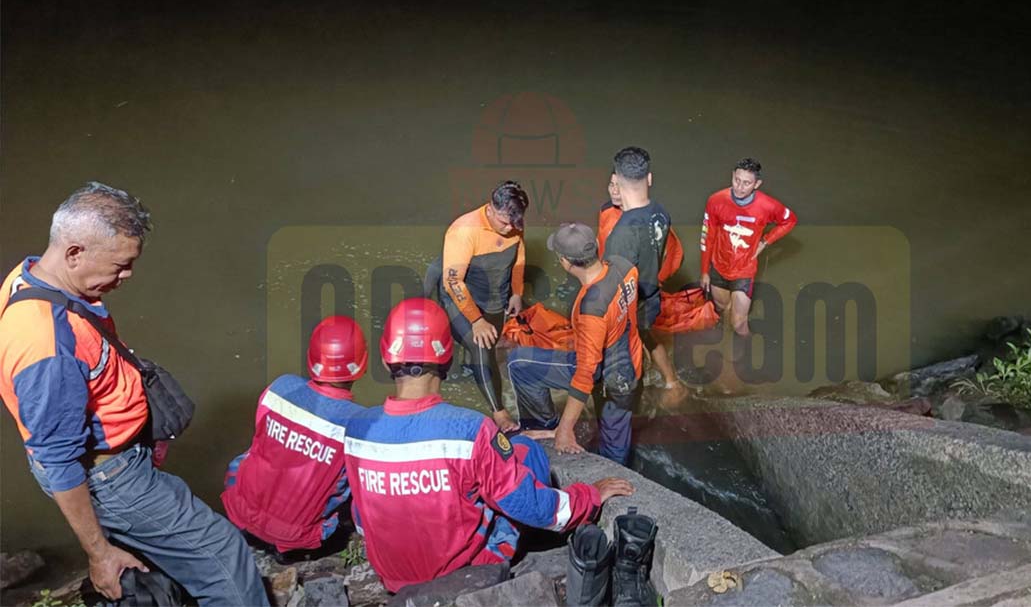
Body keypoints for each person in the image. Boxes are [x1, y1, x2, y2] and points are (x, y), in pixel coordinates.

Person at [0, 182, 267, 605]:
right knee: (223, 553)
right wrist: (99, 553)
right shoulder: (45, 344)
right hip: (112, 478)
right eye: (120, 265)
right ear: (74, 252)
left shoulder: (30, 276)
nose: (126, 277)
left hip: (116, 461)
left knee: (167, 552)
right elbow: (58, 457)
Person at [344, 298, 633, 591]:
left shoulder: (357, 429)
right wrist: (589, 497)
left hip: (392, 575)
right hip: (463, 573)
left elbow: (361, 514)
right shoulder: (470, 429)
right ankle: (544, 540)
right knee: (528, 452)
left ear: (385, 359)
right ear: (447, 358)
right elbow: (527, 503)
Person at [222, 315, 366, 558]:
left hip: (241, 509)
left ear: (311, 357)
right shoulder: (360, 423)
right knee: (355, 478)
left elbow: (260, 436)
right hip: (299, 535)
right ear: (361, 363)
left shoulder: (281, 386)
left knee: (253, 451)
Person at [508, 223, 643, 464]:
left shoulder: (591, 307)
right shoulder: (624, 266)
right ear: (597, 247)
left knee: (519, 363)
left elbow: (586, 372)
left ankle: (547, 428)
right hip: (631, 366)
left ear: (565, 262)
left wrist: (565, 429)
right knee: (616, 444)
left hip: (606, 377)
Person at [424, 181, 528, 433]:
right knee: (479, 343)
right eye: (504, 221)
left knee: (489, 345)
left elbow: (519, 257)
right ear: (490, 209)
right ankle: (499, 413)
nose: (510, 227)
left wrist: (517, 292)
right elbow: (453, 282)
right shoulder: (464, 231)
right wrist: (476, 320)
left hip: (494, 294)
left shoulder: (513, 222)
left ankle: (471, 364)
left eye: (515, 222)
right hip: (460, 294)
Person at [699, 158, 796, 373]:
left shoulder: (767, 205)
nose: (740, 187)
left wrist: (765, 241)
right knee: (722, 309)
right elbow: (708, 236)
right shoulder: (716, 200)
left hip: (744, 271)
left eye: (746, 183)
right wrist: (705, 271)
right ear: (732, 176)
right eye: (737, 180)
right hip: (718, 266)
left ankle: (744, 353)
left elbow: (789, 220)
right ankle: (722, 343)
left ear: (757, 184)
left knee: (739, 323)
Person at [597, 171, 686, 399]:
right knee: (625, 340)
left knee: (642, 337)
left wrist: (656, 278)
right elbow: (602, 247)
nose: (615, 190)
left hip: (640, 293)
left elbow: (674, 253)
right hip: (616, 288)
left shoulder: (647, 219)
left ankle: (670, 382)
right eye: (611, 185)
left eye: (620, 185)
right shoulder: (607, 211)